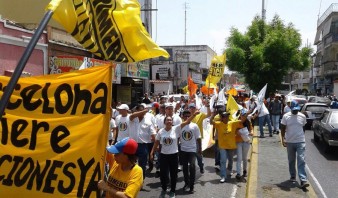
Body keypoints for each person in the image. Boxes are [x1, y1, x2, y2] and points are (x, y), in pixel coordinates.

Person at [150, 110, 199, 198]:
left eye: (170, 120)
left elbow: (187, 121)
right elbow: (156, 142)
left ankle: (172, 191)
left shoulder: (176, 129)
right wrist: (152, 152)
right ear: (164, 122)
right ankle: (164, 189)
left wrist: (194, 114)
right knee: (163, 174)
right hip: (163, 155)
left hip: (174, 155)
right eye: (167, 120)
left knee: (173, 174)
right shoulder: (161, 131)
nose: (169, 121)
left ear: (172, 122)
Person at [280, 100, 309, 188]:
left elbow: (303, 127)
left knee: (301, 159)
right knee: (291, 160)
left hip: (300, 141)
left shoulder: (302, 116)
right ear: (291, 108)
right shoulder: (286, 116)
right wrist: (283, 139)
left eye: (297, 109)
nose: (296, 111)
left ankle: (303, 180)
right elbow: (283, 128)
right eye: (294, 109)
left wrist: (302, 137)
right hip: (290, 141)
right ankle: (293, 176)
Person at [210, 111, 241, 183]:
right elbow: (211, 122)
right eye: (225, 116)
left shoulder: (232, 123)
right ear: (222, 118)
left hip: (231, 146)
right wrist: (212, 115)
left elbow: (242, 120)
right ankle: (223, 176)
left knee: (230, 160)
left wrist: (248, 113)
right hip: (222, 146)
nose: (226, 118)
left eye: (227, 116)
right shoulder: (219, 124)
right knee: (223, 161)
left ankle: (229, 170)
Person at [180, 110, 201, 194]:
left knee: (192, 166)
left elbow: (198, 138)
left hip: (192, 150)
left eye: (189, 116)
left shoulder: (195, 126)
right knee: (185, 168)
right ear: (182, 117)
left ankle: (191, 186)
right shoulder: (180, 126)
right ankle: (186, 183)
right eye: (185, 116)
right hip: (183, 149)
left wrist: (200, 149)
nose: (187, 117)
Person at [235, 108, 253, 180]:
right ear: (240, 115)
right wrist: (236, 132)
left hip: (246, 142)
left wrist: (251, 132)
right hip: (238, 141)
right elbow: (233, 130)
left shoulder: (248, 122)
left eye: (245, 116)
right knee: (239, 158)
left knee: (244, 158)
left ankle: (244, 170)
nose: (244, 117)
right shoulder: (236, 122)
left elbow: (251, 129)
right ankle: (238, 173)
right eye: (243, 115)